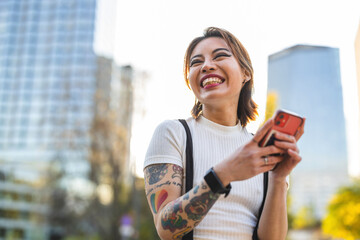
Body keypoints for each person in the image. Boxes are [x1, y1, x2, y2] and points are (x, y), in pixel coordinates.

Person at [143, 27, 304, 240]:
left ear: (246, 73)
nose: (207, 65)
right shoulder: (173, 133)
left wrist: (278, 177)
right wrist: (225, 173)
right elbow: (166, 228)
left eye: (220, 56)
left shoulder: (259, 150)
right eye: (196, 62)